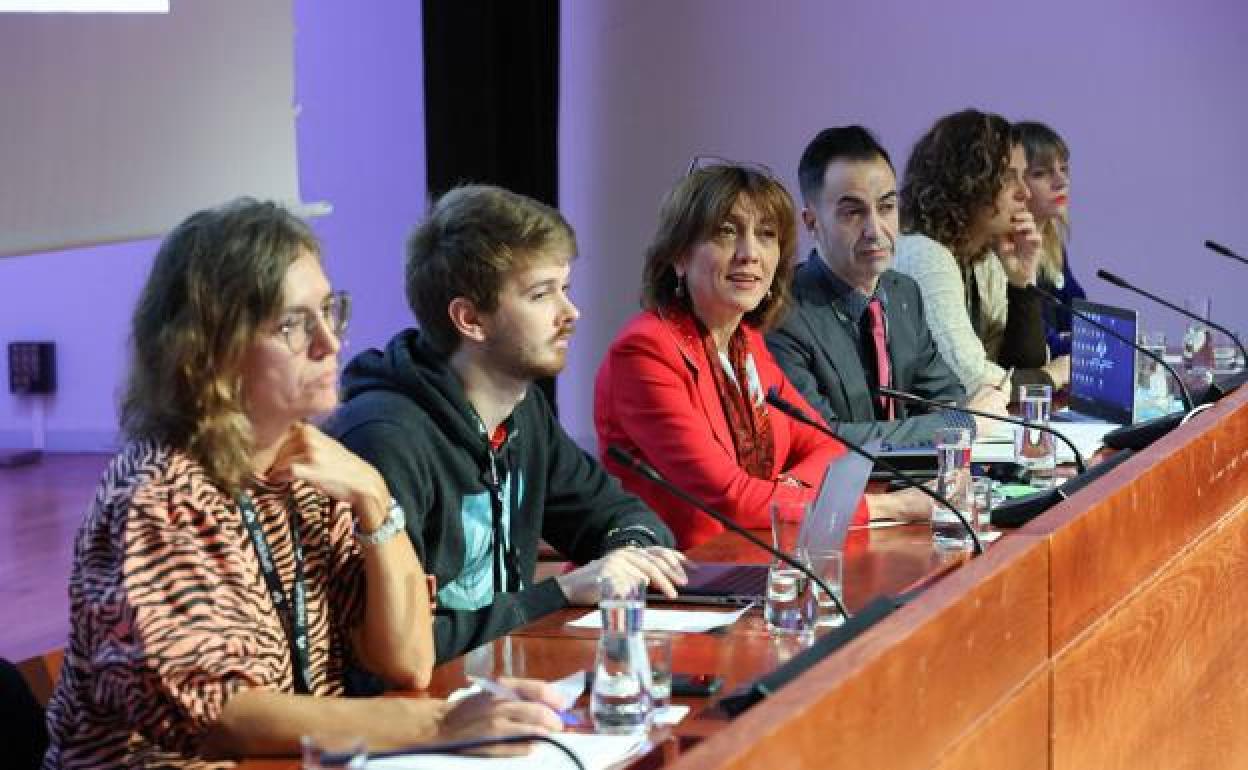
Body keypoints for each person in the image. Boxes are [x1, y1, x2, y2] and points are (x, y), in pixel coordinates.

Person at [41, 200, 567, 769]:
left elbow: (407, 660)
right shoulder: (159, 496)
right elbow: (224, 716)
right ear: (211, 351)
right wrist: (439, 724)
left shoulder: (313, 472)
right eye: (292, 324)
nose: (329, 343)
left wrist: (375, 500)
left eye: (328, 311)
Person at [329, 185, 685, 663]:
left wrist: (627, 557)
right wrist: (557, 594)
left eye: (565, 289)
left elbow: (621, 516)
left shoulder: (523, 410)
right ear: (470, 319)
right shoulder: (385, 438)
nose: (570, 313)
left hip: (504, 680)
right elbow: (390, 650)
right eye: (541, 294)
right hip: (420, 699)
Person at [594, 162, 931, 551]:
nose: (749, 254)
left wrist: (774, 493)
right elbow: (732, 499)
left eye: (766, 235)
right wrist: (890, 506)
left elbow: (827, 447)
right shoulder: (645, 353)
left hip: (754, 559)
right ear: (680, 256)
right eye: (727, 232)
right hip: (672, 574)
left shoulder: (747, 343)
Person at [768, 125, 1008, 446]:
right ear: (812, 222)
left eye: (886, 207)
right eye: (853, 213)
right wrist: (958, 423)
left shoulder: (903, 293)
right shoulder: (781, 313)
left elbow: (945, 397)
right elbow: (825, 437)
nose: (875, 230)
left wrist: (957, 417)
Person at [893, 108, 1071, 396]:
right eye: (1009, 177)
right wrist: (1052, 375)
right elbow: (972, 379)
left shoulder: (983, 258)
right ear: (967, 183)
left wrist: (1021, 283)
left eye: (1024, 177)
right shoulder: (924, 255)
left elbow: (1023, 365)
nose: (1024, 193)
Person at [1017, 120, 1086, 357]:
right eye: (1041, 173)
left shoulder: (1052, 242)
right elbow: (1039, 342)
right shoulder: (1007, 252)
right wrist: (1091, 347)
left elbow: (1080, 315)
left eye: (1064, 169)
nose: (1061, 182)